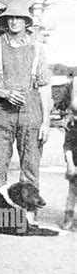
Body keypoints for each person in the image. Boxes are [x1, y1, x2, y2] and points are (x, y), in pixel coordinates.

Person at [0, 0, 52, 219]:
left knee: (30, 166)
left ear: (27, 22)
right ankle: (0, 215)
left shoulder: (38, 50)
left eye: (19, 18)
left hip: (31, 114)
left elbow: (45, 87)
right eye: (10, 18)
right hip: (1, 115)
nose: (14, 22)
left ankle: (28, 216)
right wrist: (4, 94)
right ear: (6, 21)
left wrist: (46, 121)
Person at [62, 76, 77, 231]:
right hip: (76, 164)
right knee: (73, 189)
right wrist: (71, 164)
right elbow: (67, 147)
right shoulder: (74, 128)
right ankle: (68, 216)